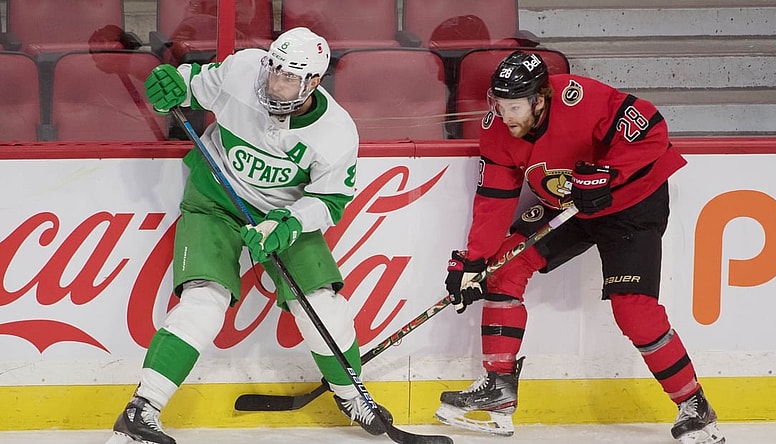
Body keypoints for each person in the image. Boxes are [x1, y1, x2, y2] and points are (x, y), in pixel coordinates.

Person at [105, 27, 392, 444]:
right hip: (215, 200)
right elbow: (190, 86)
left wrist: (288, 224)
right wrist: (171, 85)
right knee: (204, 301)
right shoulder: (243, 69)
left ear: (313, 81)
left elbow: (329, 201)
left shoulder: (336, 132)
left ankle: (350, 395)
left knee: (322, 307)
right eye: (274, 71)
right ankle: (142, 409)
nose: (275, 83)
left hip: (284, 215)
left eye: (290, 78)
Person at [435, 51, 725, 444]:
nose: (506, 116)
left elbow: (653, 130)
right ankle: (498, 391)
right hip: (569, 208)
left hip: (632, 203)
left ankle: (694, 405)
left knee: (633, 311)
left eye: (515, 106)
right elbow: (494, 200)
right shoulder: (499, 130)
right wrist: (474, 261)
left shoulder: (582, 99)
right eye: (499, 105)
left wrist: (609, 173)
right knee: (502, 270)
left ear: (541, 98)